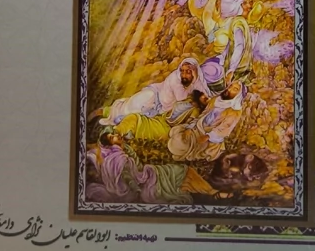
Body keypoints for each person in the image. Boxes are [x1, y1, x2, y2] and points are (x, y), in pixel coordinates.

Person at [86, 132, 231, 203]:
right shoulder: (118, 159)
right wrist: (139, 185)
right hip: (148, 180)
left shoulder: (124, 149)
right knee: (184, 172)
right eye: (112, 137)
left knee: (184, 173)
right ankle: (212, 192)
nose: (116, 135)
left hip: (149, 174)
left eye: (114, 134)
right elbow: (129, 178)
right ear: (111, 144)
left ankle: (212, 192)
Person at [88, 58, 210, 127]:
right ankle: (103, 112)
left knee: (132, 115)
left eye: (188, 72)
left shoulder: (196, 80)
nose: (184, 74)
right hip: (154, 96)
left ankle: (107, 114)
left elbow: (205, 92)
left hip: (160, 108)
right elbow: (181, 97)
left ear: (194, 71)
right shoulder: (175, 79)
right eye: (182, 71)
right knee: (130, 106)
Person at [185, 0, 254, 88]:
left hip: (223, 62)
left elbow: (239, 46)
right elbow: (218, 28)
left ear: (248, 12)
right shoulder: (232, 19)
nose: (247, 3)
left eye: (249, 6)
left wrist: (231, 70)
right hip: (218, 56)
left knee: (208, 73)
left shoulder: (239, 25)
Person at [168, 81, 247, 162]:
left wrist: (207, 137)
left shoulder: (235, 111)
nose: (229, 89)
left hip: (210, 137)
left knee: (183, 145)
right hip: (199, 127)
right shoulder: (216, 99)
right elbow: (203, 115)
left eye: (235, 89)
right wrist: (190, 128)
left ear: (238, 96)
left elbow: (224, 129)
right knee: (178, 132)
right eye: (230, 86)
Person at [110, 90, 209, 142]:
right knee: (133, 117)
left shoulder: (195, 111)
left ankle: (128, 136)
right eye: (205, 95)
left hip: (166, 128)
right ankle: (117, 131)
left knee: (150, 132)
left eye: (207, 99)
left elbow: (189, 125)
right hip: (159, 118)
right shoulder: (186, 99)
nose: (205, 97)